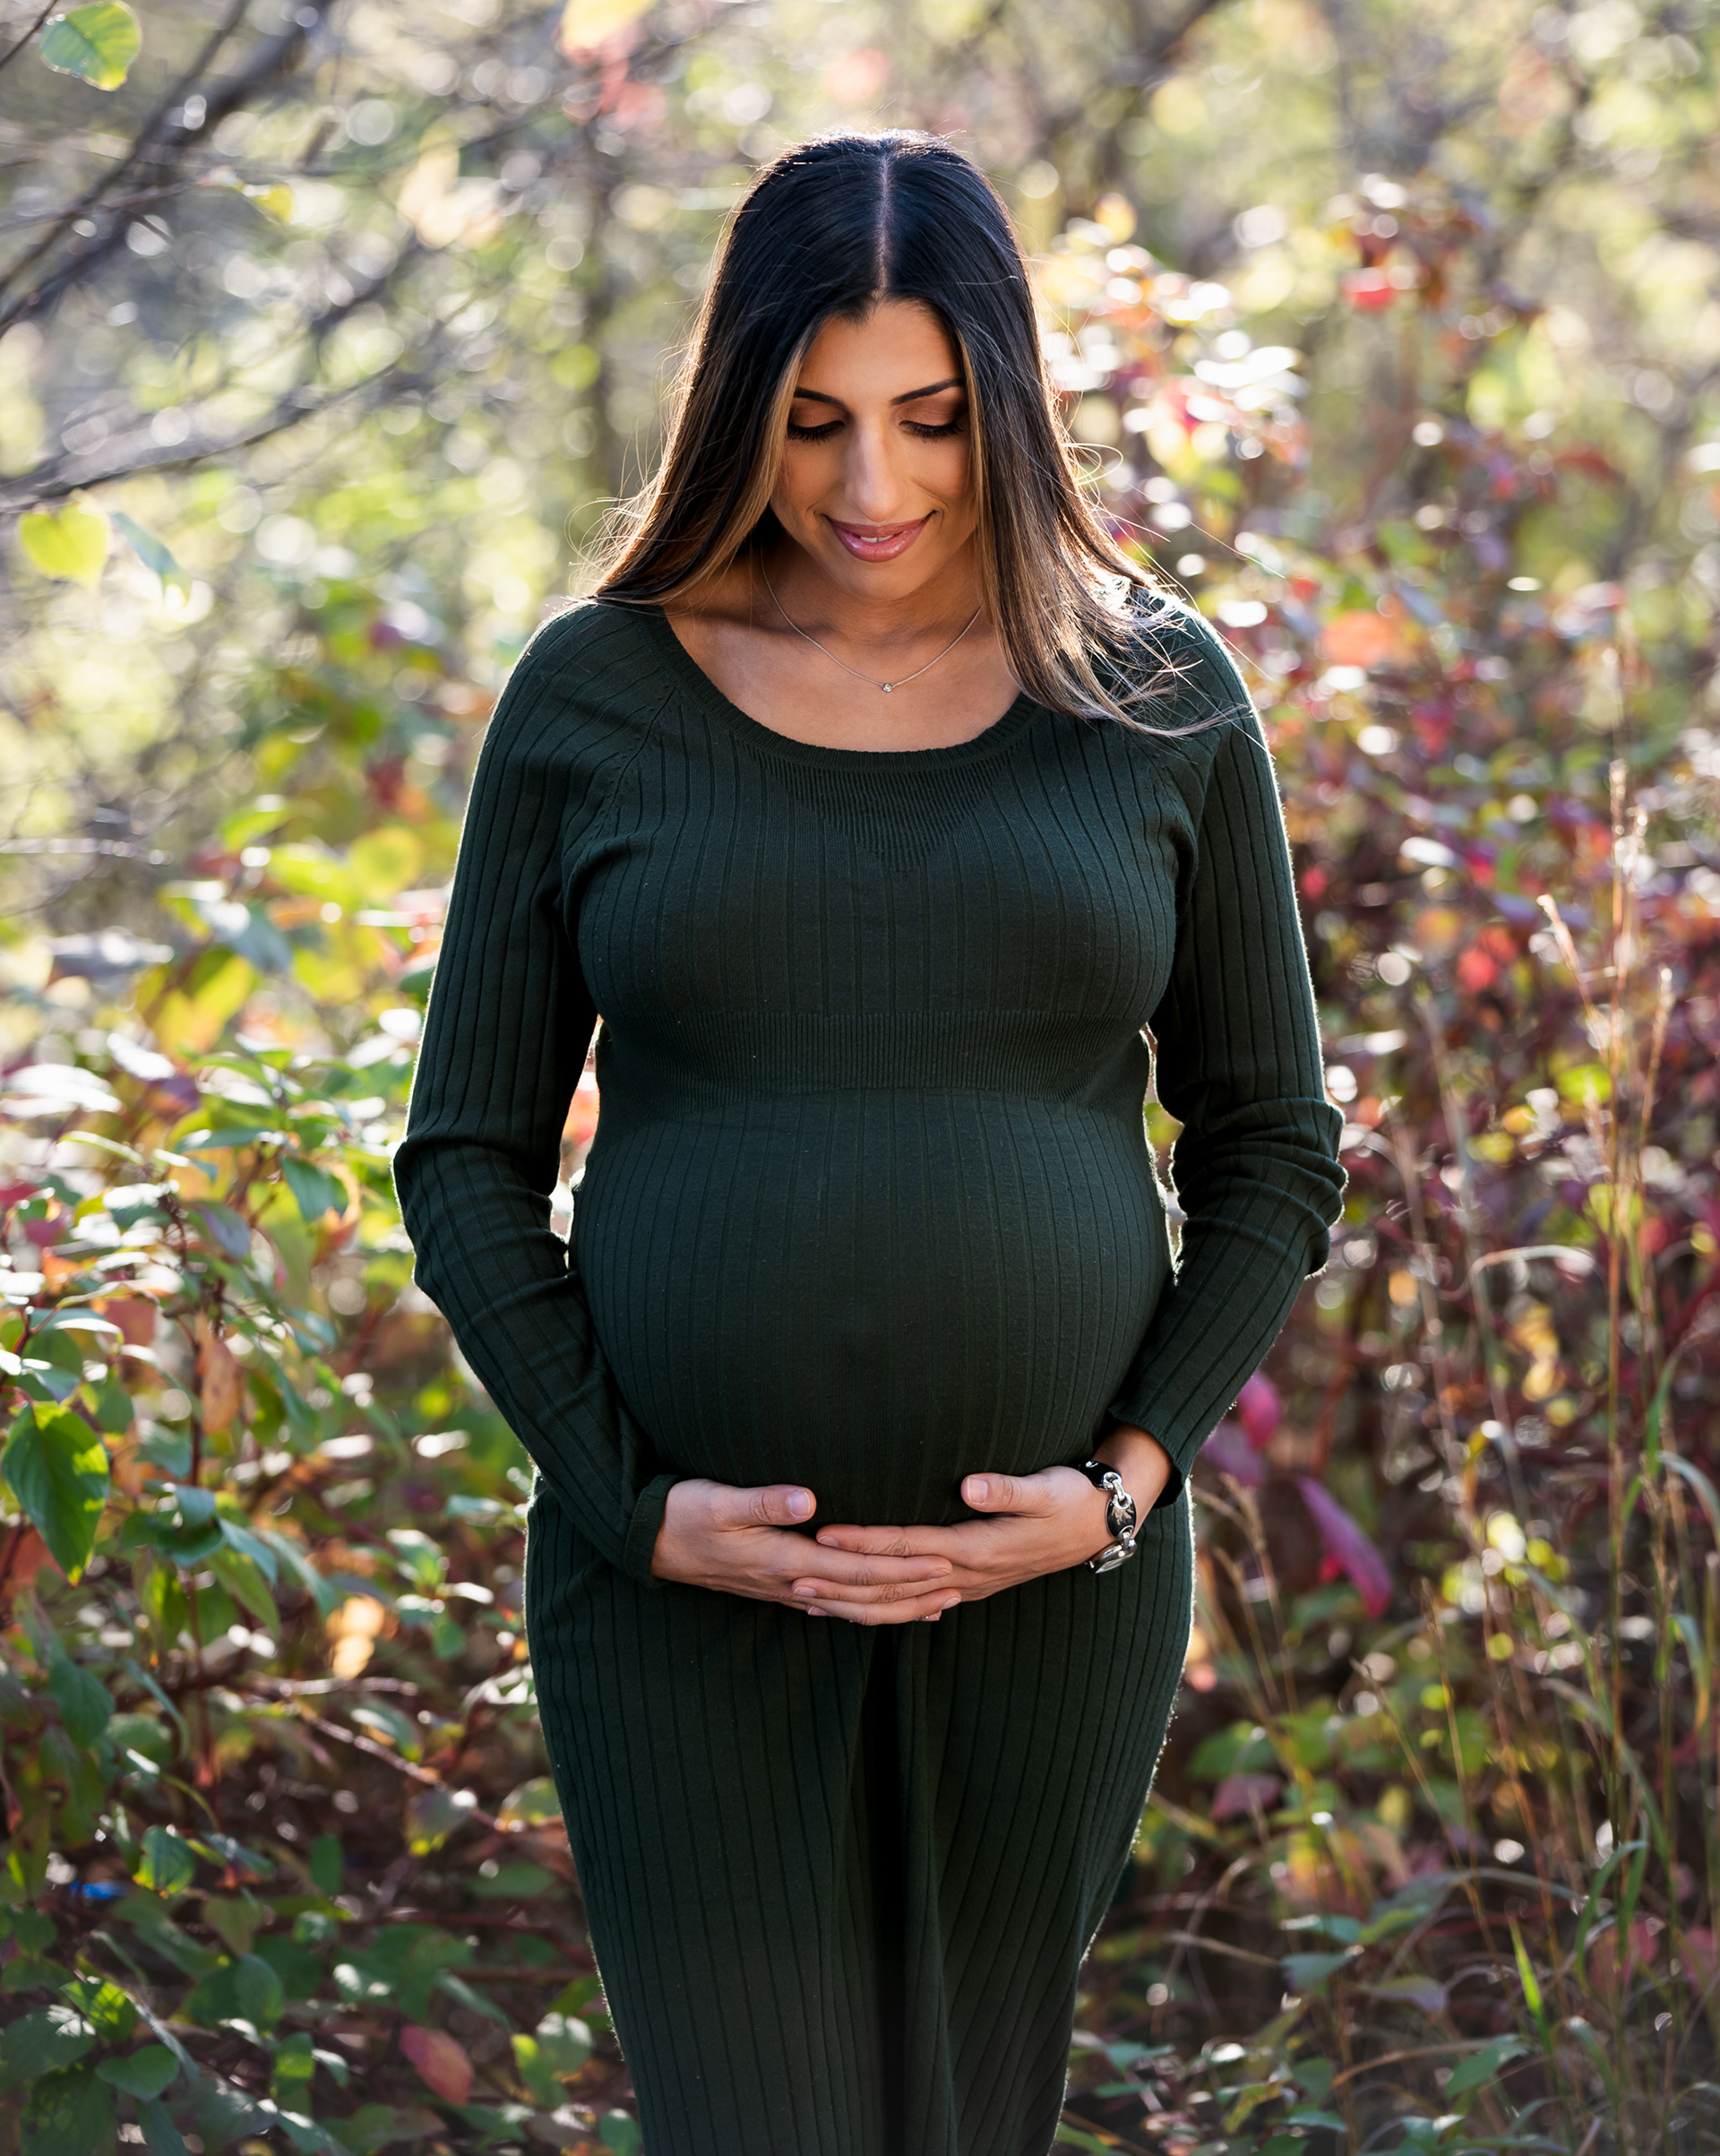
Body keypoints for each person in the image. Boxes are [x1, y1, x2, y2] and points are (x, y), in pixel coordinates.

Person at [394, 132, 1346, 2156]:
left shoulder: (1158, 696)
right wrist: (631, 1499)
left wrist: (1118, 1487)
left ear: (1009, 399)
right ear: (739, 401)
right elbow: (465, 1154)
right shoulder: (599, 696)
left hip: (1051, 1605)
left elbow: (1273, 1147)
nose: (870, 489)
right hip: (682, 1602)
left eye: (930, 419)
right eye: (812, 421)